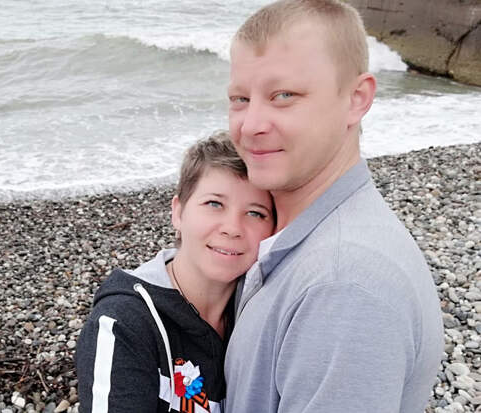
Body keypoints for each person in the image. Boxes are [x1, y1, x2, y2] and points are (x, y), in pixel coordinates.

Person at [223, 1, 443, 412]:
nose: (250, 125)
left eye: (283, 95)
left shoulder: (342, 286)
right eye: (240, 98)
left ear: (357, 99)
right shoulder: (303, 239)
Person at [76, 132, 275, 413]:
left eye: (255, 213)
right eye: (214, 204)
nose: (233, 228)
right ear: (178, 212)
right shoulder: (124, 323)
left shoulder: (269, 311)